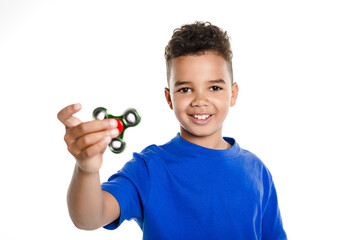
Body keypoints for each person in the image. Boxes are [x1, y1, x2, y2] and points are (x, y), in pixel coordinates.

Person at [58, 21, 287, 239]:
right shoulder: (149, 168)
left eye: (214, 87)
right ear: (169, 98)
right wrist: (86, 168)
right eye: (186, 89)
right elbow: (88, 218)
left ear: (233, 93)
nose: (200, 100)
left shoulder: (257, 171)